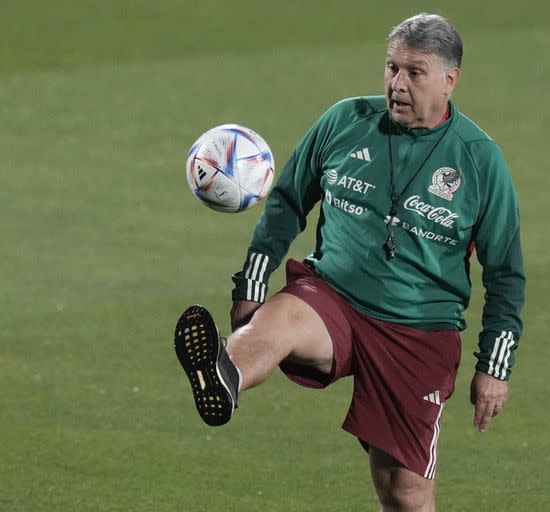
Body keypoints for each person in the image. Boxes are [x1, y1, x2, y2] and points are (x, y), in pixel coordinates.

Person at [174, 12, 525, 511]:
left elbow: (506, 273)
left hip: (418, 333)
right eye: (390, 68)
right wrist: (250, 287)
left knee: (403, 492)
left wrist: (495, 365)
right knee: (275, 323)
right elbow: (288, 202)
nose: (396, 84)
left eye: (414, 72)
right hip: (333, 297)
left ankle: (228, 367)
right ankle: (222, 377)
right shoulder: (345, 122)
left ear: (450, 80)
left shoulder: (479, 160)